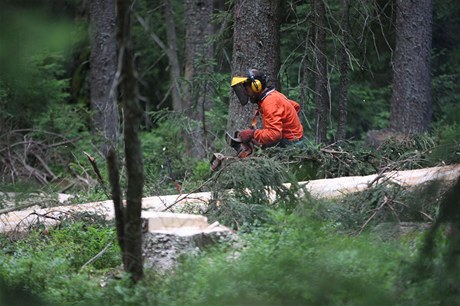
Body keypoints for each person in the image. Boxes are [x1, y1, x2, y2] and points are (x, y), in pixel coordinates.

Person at [230, 68, 304, 148]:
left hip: (290, 144)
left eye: (246, 89)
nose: (246, 93)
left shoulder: (270, 102)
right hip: (292, 139)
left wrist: (252, 134)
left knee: (256, 146)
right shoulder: (273, 95)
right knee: (260, 143)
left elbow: (275, 134)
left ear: (256, 86)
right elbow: (295, 106)